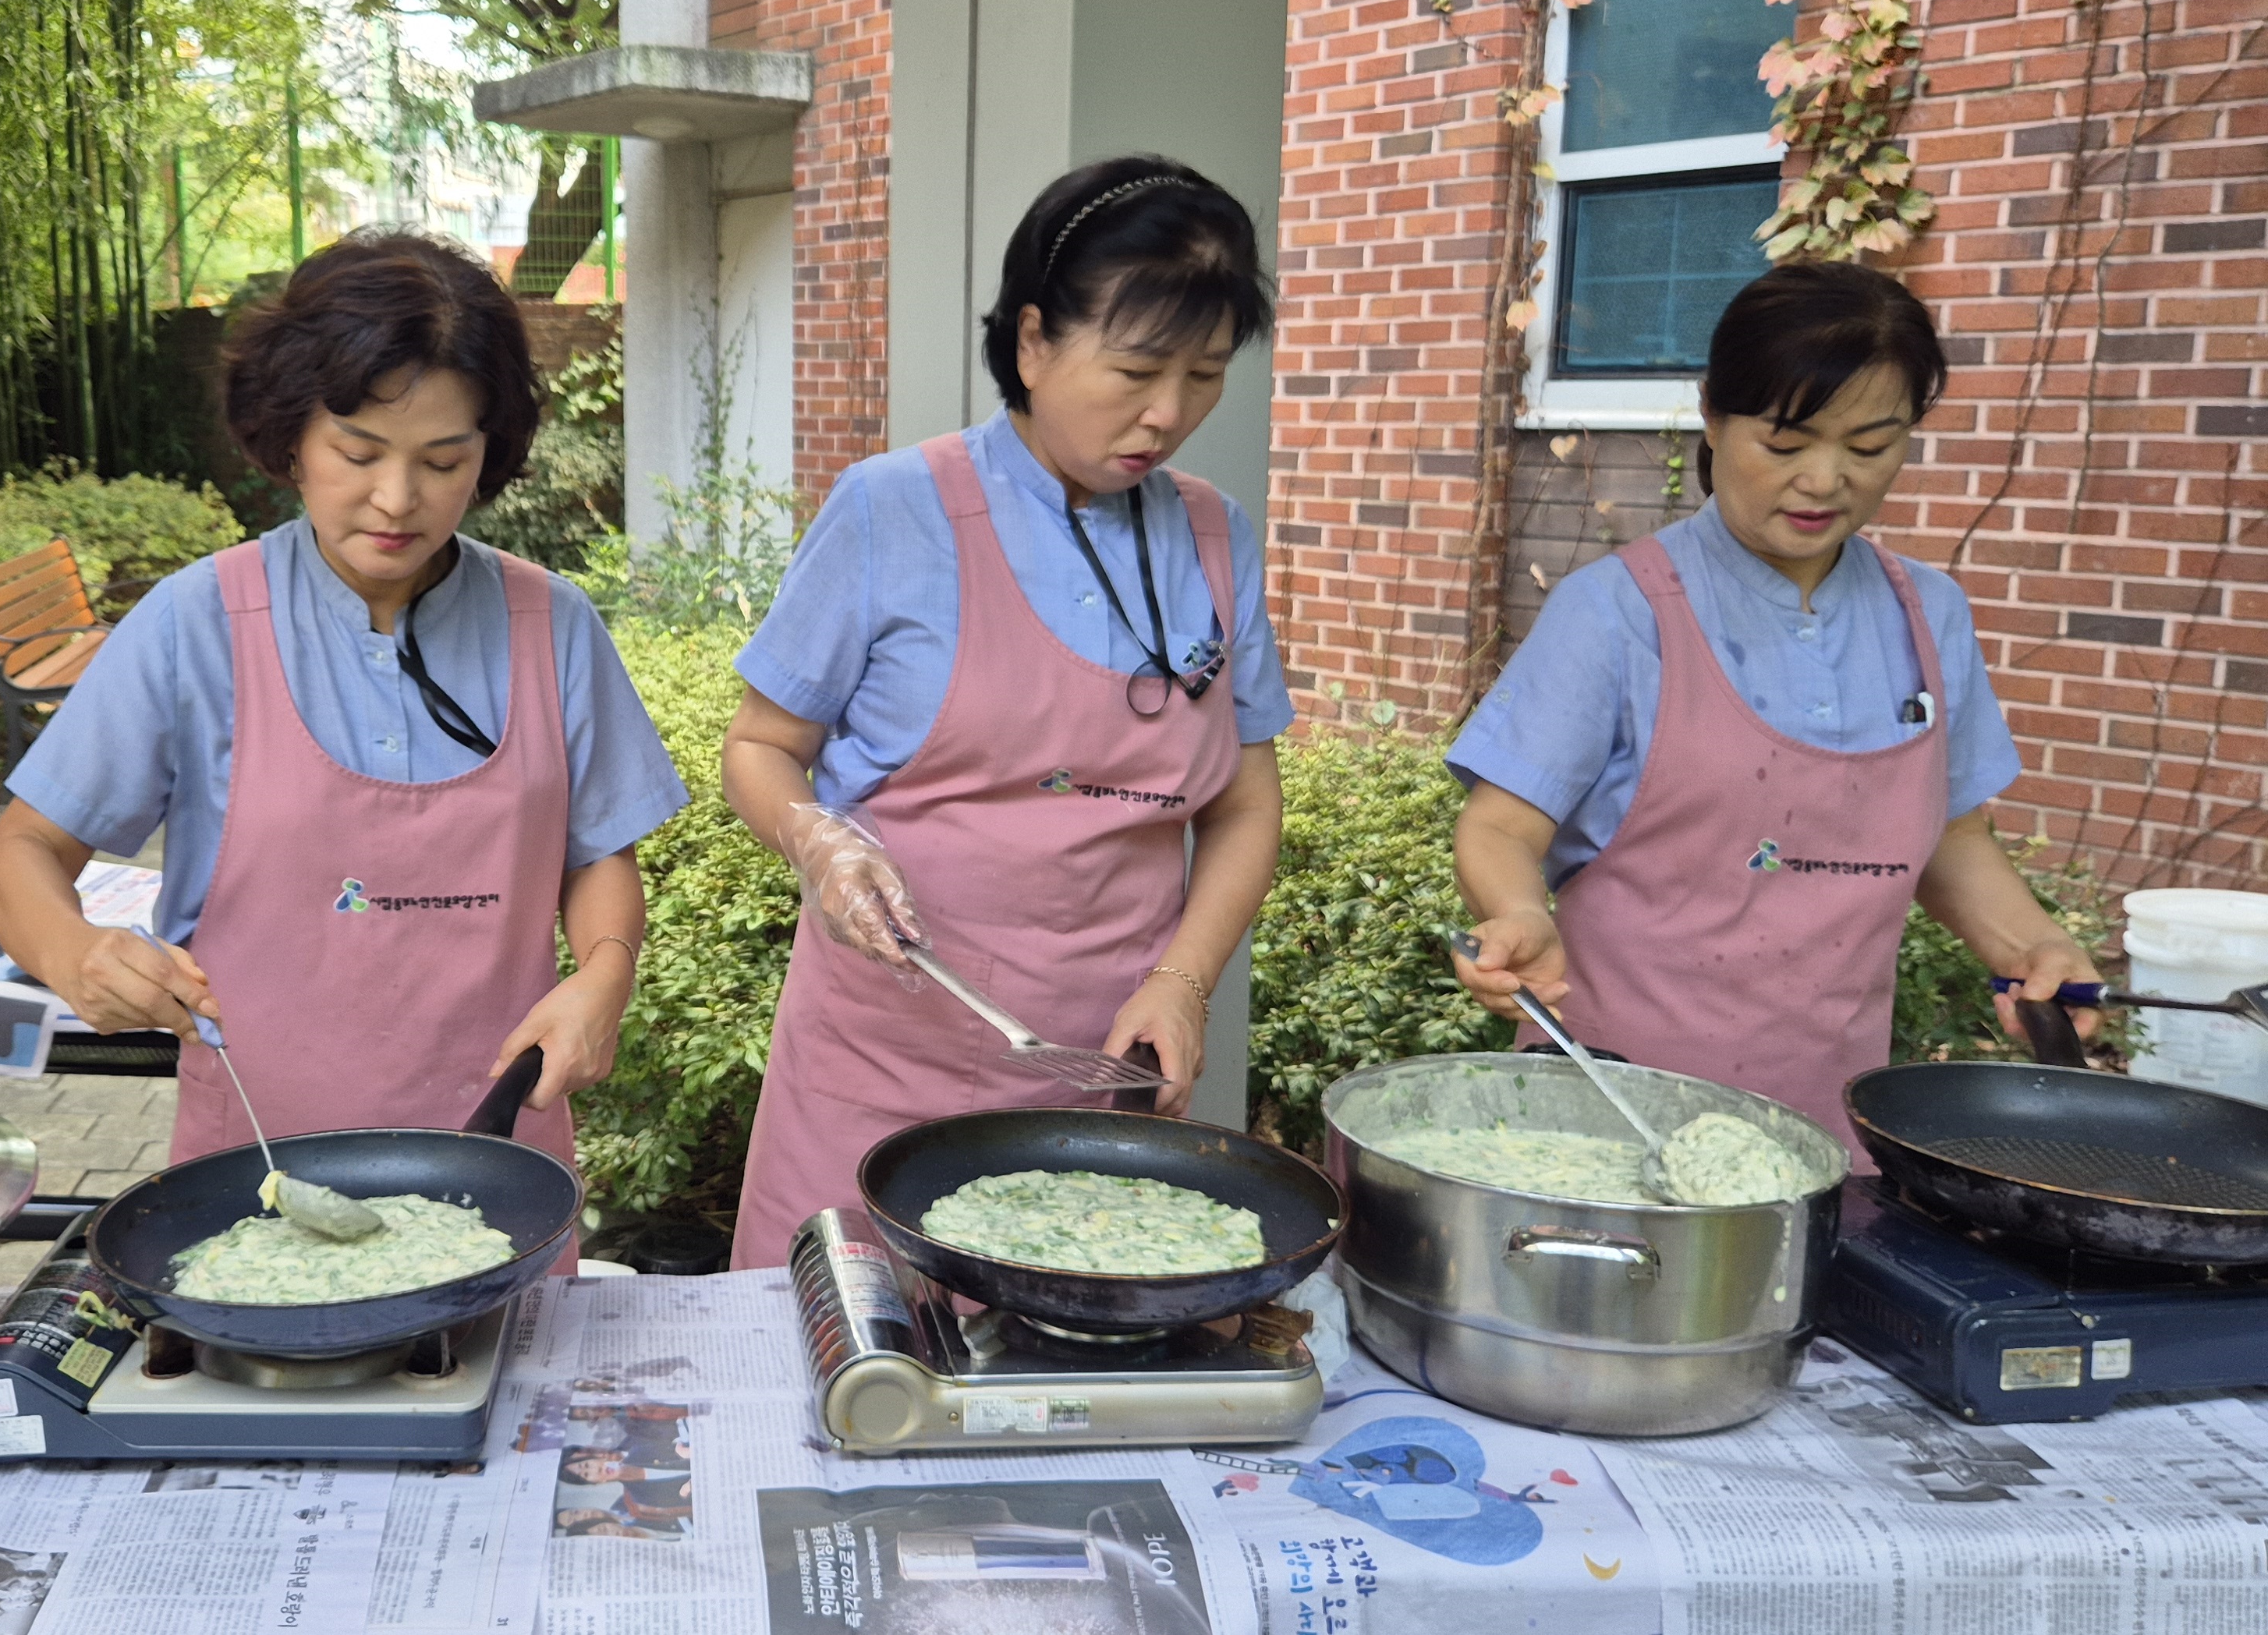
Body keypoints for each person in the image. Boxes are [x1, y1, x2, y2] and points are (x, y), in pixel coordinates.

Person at [0, 231, 687, 1177]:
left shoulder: (550, 624)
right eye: (357, 452)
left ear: (489, 453)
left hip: (498, 1155)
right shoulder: (197, 623)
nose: (397, 499)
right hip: (253, 1165)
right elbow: (25, 847)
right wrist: (74, 951)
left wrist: (605, 974)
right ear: (292, 439)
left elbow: (597, 852)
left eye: (443, 461)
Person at [721, 157, 1292, 1269]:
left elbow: (1243, 803)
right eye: (1136, 370)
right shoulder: (893, 510)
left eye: (1206, 375)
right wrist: (818, 841)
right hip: (877, 1074)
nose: (1169, 413)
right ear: (1033, 341)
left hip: (1100, 1077)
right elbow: (761, 746)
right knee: (853, 1351)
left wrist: (1183, 984)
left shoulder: (1215, 535)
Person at [1446, 260, 2100, 1149]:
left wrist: (2030, 948)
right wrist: (1522, 916)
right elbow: (1499, 827)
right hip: (1611, 1115)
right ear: (1713, 416)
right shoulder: (1618, 611)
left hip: (1829, 1121)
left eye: (1870, 446)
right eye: (1787, 443)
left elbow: (1950, 834)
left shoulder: (1929, 614)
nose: (1825, 480)